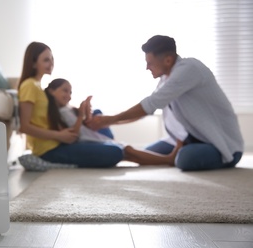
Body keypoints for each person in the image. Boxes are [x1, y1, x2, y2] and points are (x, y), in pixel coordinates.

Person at [86, 35, 244, 171]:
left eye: (150, 62)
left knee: (184, 159)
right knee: (146, 154)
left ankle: (184, 154)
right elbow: (147, 110)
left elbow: (150, 104)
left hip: (220, 145)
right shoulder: (165, 79)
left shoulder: (189, 69)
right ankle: (179, 152)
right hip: (187, 138)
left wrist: (110, 119)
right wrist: (107, 123)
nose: (147, 67)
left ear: (168, 60)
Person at [18, 42, 178, 168]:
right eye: (46, 59)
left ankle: (167, 159)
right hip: (48, 150)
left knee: (107, 128)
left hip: (59, 142)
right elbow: (24, 127)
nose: (51, 63)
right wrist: (59, 135)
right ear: (33, 63)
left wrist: (77, 119)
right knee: (116, 152)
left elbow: (50, 121)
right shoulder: (29, 86)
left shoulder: (39, 88)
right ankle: (167, 159)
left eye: (52, 59)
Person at [44, 77, 180, 166]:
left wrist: (86, 113)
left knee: (127, 149)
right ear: (51, 91)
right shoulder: (55, 113)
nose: (68, 95)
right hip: (85, 141)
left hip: (93, 135)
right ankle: (168, 159)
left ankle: (167, 159)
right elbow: (73, 134)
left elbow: (83, 125)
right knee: (128, 151)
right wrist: (80, 116)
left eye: (70, 92)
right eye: (65, 91)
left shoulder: (68, 109)